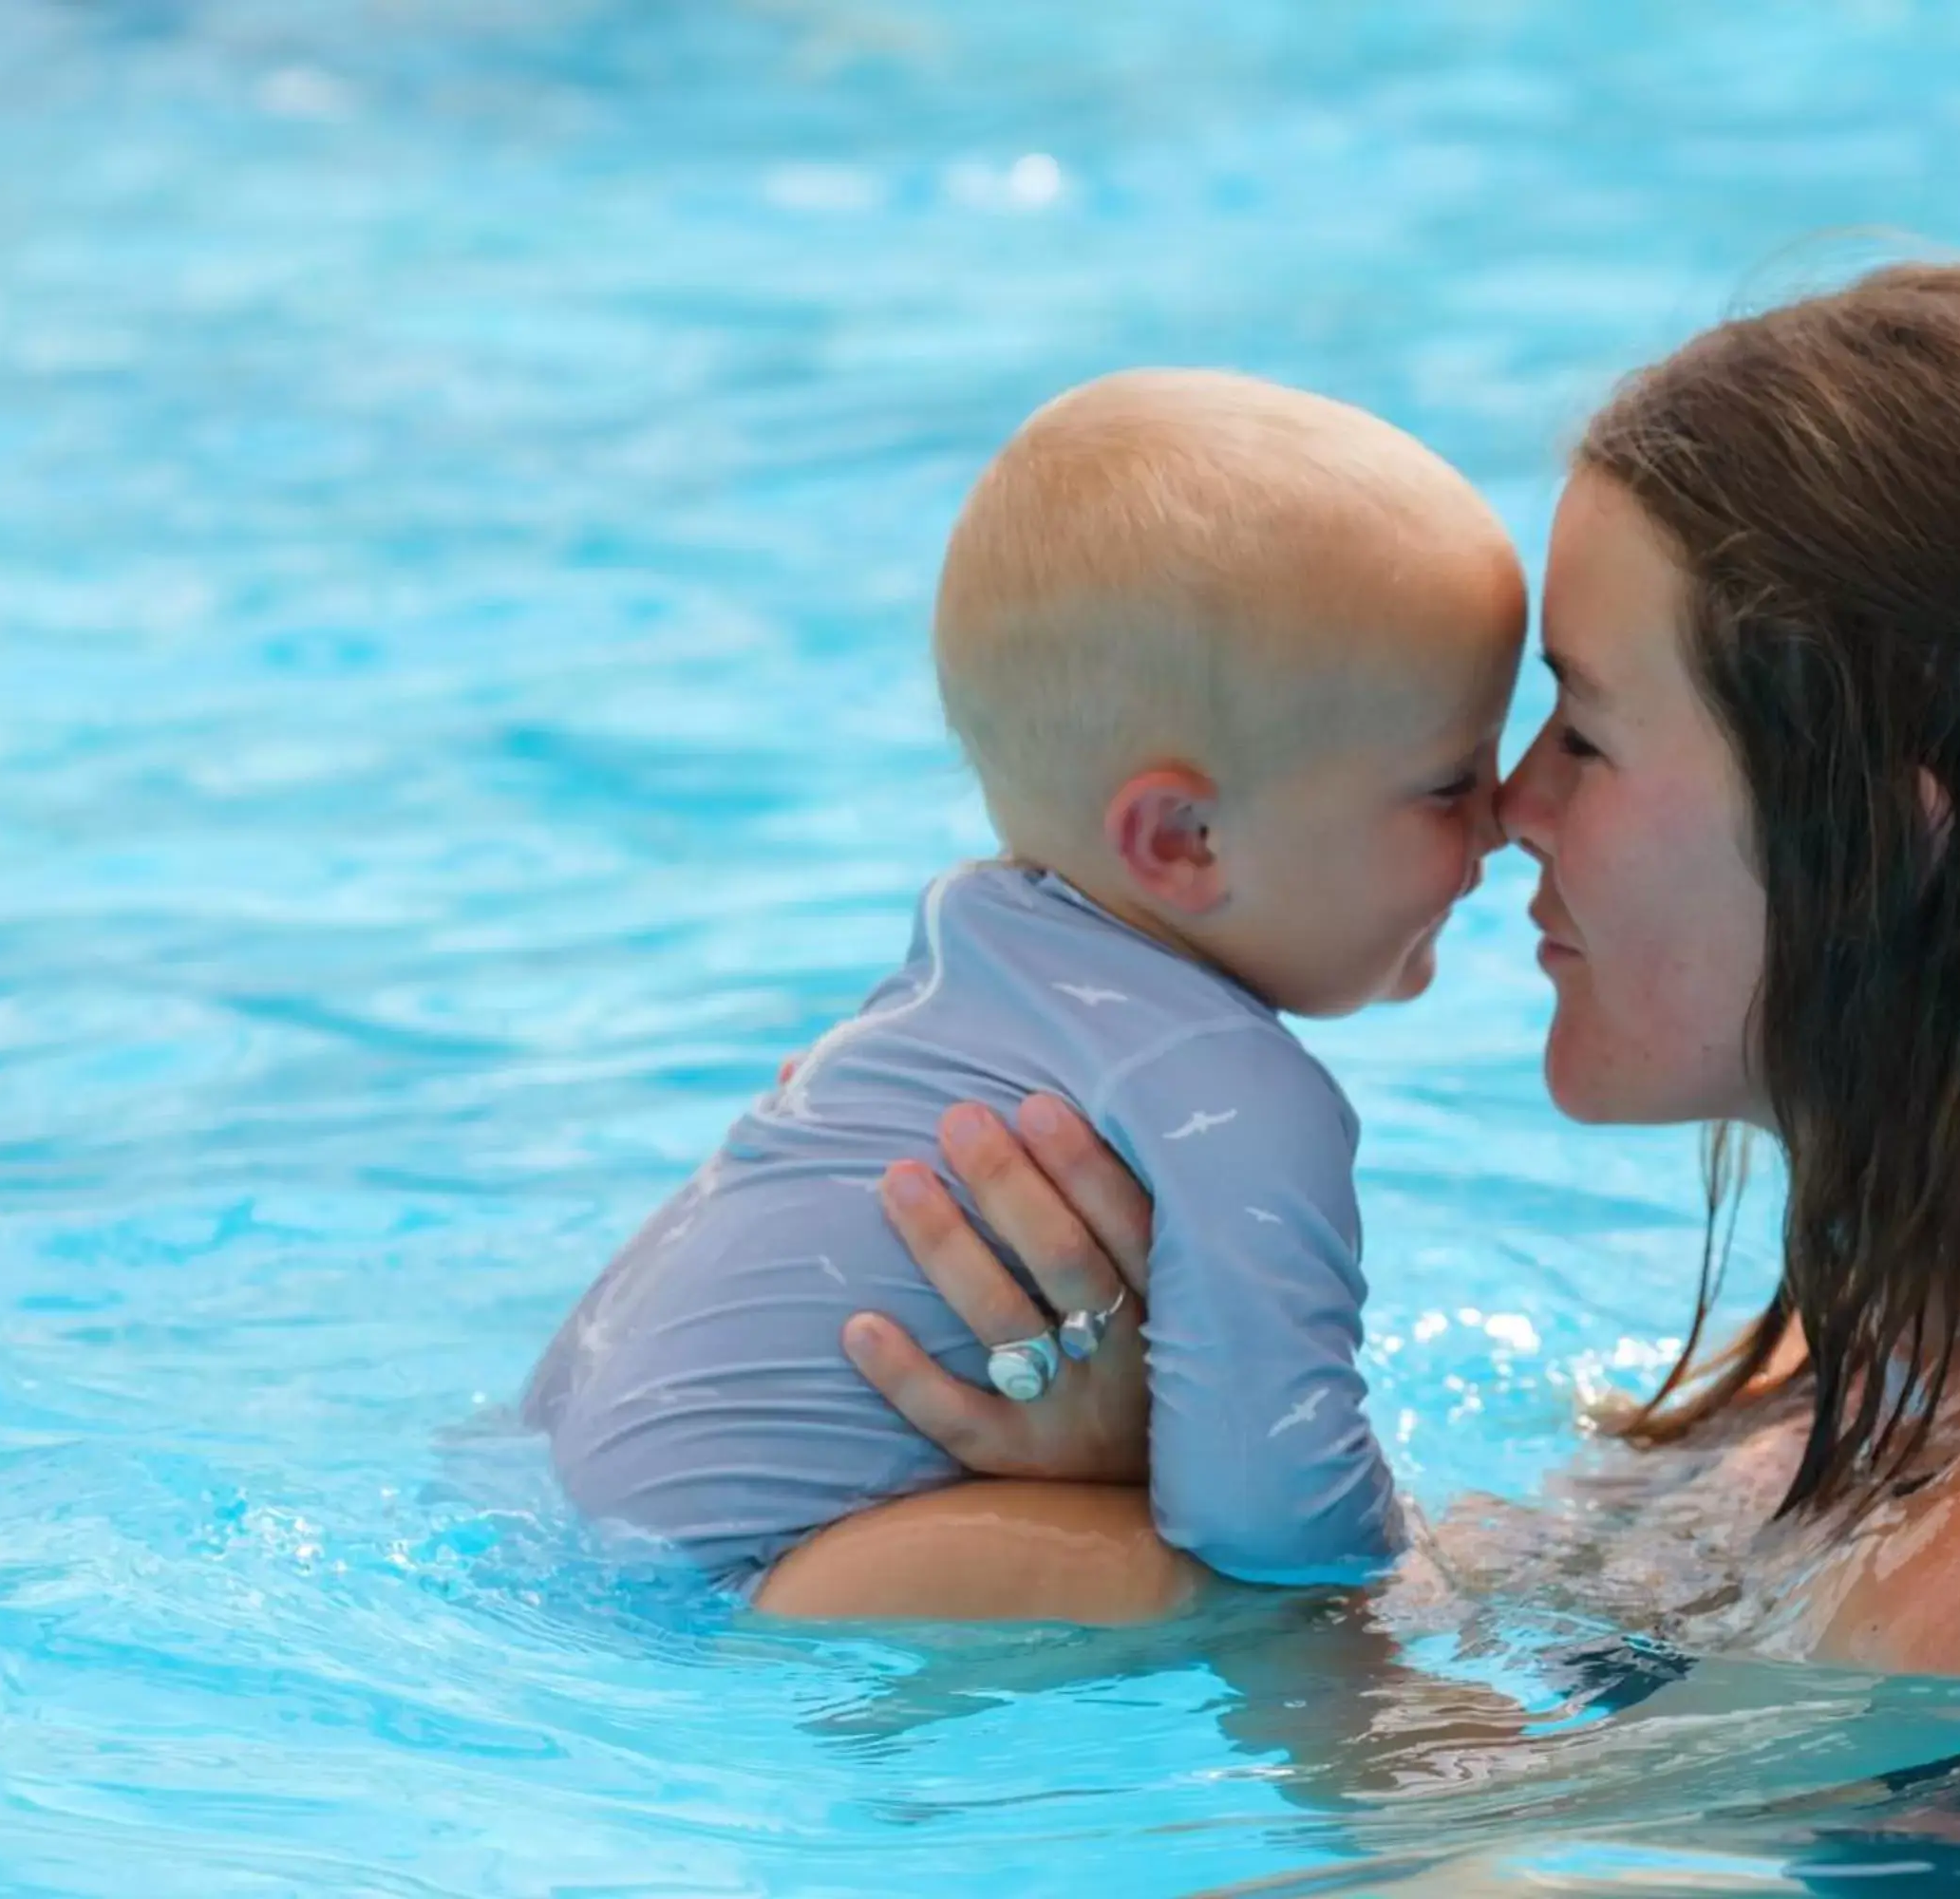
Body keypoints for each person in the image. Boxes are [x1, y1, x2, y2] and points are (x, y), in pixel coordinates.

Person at [756, 263, 1960, 1682]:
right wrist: (1155, 1465)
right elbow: (1457, 1651)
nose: (1513, 808)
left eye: (1589, 731)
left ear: (1895, 839)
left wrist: (1172, 1584)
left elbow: (1533, 1852)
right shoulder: (1843, 1369)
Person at [521, 369, 1526, 1593]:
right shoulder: (1232, 1091)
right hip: (759, 1598)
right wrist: (1449, 1564)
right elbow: (1282, 1521)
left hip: (551, 1516)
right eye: (1448, 784)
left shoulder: (968, 963)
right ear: (1182, 841)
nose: (1507, 820)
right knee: (1285, 1608)